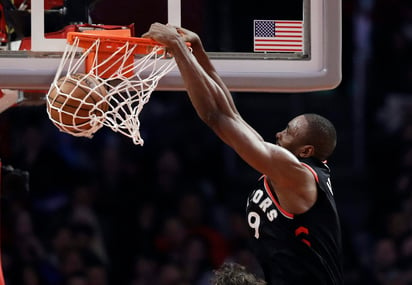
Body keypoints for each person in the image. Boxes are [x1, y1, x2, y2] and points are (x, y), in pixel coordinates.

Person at [143, 23, 344, 285]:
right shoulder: (288, 170)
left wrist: (178, 48)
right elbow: (232, 115)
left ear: (307, 150)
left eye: (288, 131)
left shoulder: (297, 175)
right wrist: (199, 52)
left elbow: (217, 117)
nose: (279, 134)